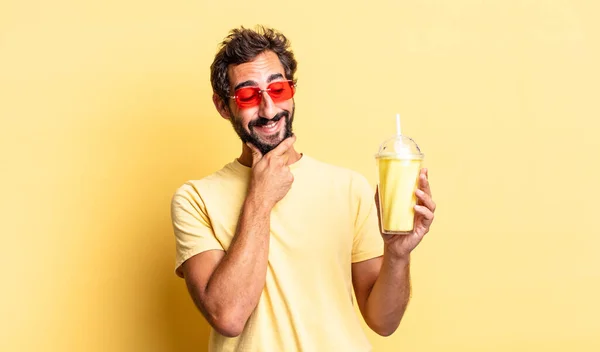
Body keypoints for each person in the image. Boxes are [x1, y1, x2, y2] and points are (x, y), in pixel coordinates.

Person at [170, 26, 436, 352]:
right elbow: (228, 316)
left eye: (278, 89)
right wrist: (260, 197)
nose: (269, 110)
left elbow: (384, 322)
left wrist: (398, 255)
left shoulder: (349, 187)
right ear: (224, 106)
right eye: (248, 95)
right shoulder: (195, 199)